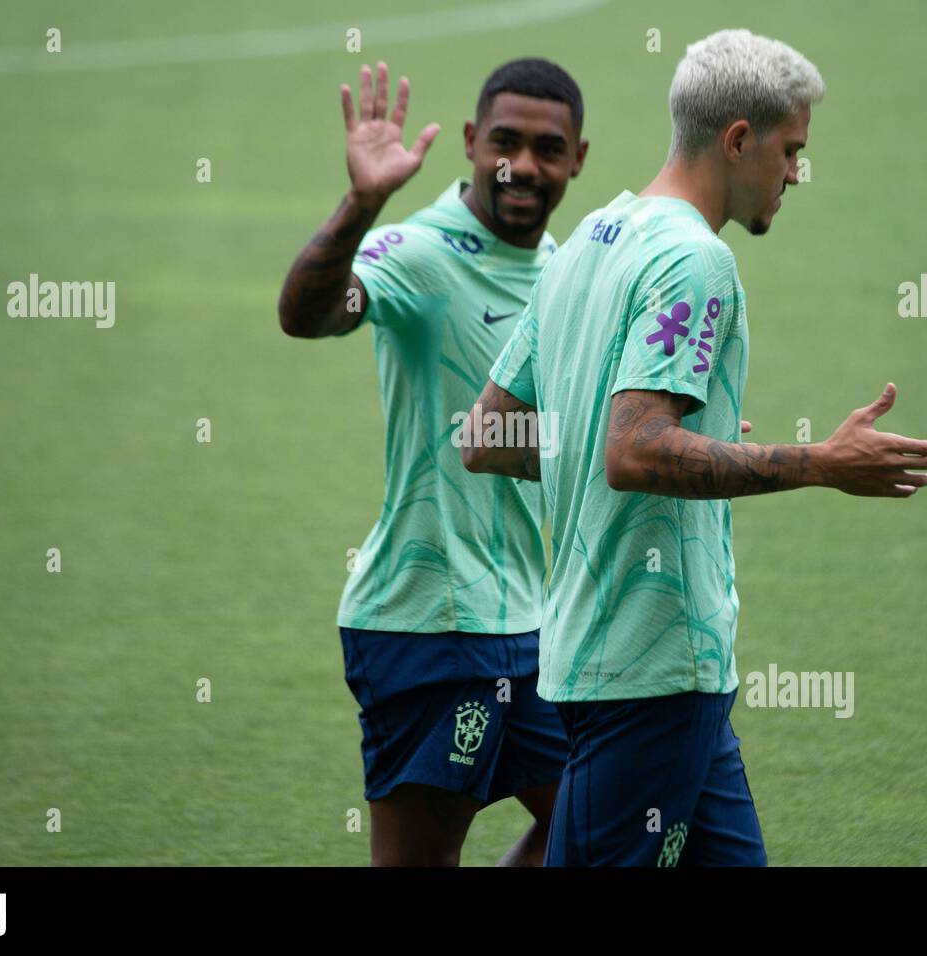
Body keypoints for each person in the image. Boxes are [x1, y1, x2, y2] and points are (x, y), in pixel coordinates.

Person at [464, 29, 927, 866]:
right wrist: (820, 464)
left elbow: (488, 437)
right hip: (649, 666)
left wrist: (676, 441)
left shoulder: (590, 240)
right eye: (791, 150)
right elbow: (637, 452)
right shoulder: (697, 261)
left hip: (638, 661)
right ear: (738, 139)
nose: (797, 171)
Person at [277, 58, 589, 866]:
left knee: (592, 824)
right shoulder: (416, 254)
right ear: (469, 143)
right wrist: (362, 202)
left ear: (578, 159)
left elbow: (532, 439)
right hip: (428, 624)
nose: (521, 165)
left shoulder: (563, 272)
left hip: (528, 622)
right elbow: (306, 316)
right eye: (504, 142)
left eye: (547, 148)